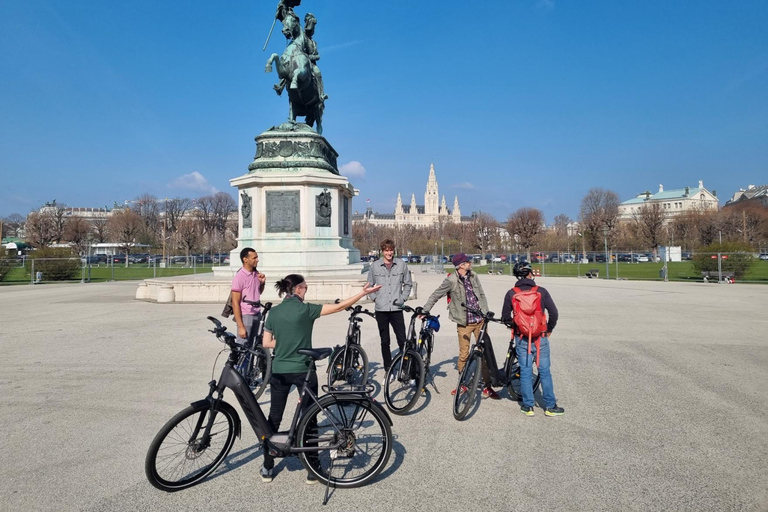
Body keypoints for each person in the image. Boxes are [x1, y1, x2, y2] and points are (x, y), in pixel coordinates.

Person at [259, 275, 381, 483]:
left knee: (274, 418)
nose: (306, 291)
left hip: (279, 369)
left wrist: (285, 342)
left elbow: (266, 342)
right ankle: (312, 468)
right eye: (305, 287)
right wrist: (362, 293)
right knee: (310, 417)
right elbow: (339, 307)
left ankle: (268, 465)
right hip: (303, 368)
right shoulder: (306, 310)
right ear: (297, 289)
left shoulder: (274, 312)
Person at [422, 253, 500, 399]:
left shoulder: (474, 276)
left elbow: (481, 295)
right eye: (467, 261)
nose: (470, 263)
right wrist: (425, 310)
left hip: (480, 321)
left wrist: (486, 312)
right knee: (464, 354)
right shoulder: (451, 280)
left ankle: (487, 386)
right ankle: (463, 383)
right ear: (461, 265)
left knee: (484, 354)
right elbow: (435, 295)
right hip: (464, 323)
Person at [501, 261, 563, 417]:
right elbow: (554, 313)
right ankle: (550, 406)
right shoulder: (541, 291)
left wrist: (516, 327)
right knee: (544, 372)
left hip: (522, 338)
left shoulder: (511, 293)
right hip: (540, 337)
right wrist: (548, 329)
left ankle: (528, 406)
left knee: (526, 371)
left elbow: (505, 317)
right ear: (530, 274)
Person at [366, 239, 413, 375]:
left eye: (391, 250)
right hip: (381, 309)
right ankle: (388, 368)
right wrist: (375, 299)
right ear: (382, 251)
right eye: (386, 250)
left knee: (402, 340)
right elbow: (369, 285)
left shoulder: (401, 264)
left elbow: (408, 283)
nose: (389, 253)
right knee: (385, 341)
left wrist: (403, 298)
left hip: (396, 308)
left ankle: (405, 367)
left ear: (394, 250)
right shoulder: (375, 266)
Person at [231, 247, 266, 345]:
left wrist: (262, 283)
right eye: (254, 258)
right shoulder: (239, 277)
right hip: (246, 316)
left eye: (257, 257)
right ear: (245, 259)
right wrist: (241, 326)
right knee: (243, 347)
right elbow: (235, 303)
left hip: (257, 314)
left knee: (255, 346)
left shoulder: (256, 274)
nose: (257, 260)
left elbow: (259, 292)